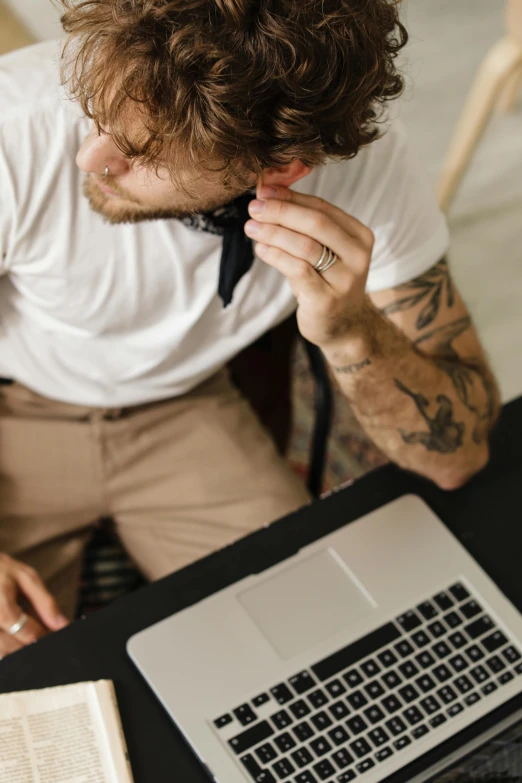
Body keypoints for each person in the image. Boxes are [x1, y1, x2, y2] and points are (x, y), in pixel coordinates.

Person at [0, 0, 499, 659]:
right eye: (96, 111)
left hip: (187, 408)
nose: (91, 157)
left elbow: (459, 457)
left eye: (143, 150)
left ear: (282, 166)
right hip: (21, 407)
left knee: (322, 644)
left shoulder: (369, 173)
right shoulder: (16, 125)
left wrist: (350, 331)